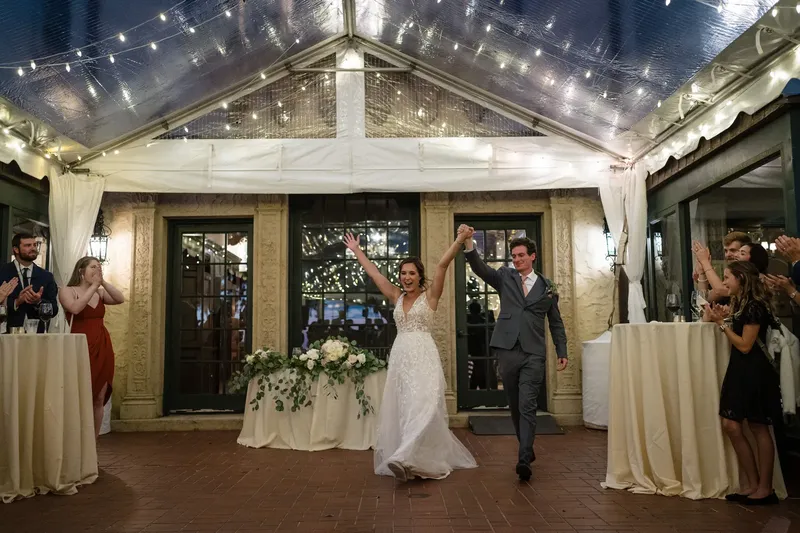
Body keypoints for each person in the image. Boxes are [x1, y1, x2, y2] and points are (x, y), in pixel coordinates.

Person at [343, 230, 477, 482]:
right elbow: (374, 274)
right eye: (403, 273)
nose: (407, 277)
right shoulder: (396, 296)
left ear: (419, 276)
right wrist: (357, 250)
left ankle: (403, 456)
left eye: (412, 273)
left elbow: (442, 265)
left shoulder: (431, 296)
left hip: (424, 357)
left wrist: (459, 241)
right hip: (401, 358)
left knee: (423, 406)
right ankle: (408, 459)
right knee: (405, 408)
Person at [461, 225, 568, 481]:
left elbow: (555, 322)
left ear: (532, 256)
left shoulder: (547, 287)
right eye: (514, 256)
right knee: (515, 405)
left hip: (534, 353)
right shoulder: (505, 277)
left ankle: (523, 458)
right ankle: (527, 447)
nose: (517, 259)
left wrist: (561, 350)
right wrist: (468, 243)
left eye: (521, 255)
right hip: (507, 349)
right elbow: (480, 269)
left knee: (528, 404)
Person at [704, 261, 781, 505]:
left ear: (741, 279)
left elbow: (746, 345)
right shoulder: (742, 304)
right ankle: (752, 482)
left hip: (755, 371)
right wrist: (724, 319)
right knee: (731, 424)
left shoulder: (755, 306)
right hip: (740, 369)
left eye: (728, 277)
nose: (724, 282)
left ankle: (765, 488)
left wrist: (722, 325)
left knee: (758, 426)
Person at [58, 257, 125, 438]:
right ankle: (76, 440)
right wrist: (93, 287)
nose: (97, 270)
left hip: (102, 345)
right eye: (93, 267)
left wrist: (102, 283)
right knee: (79, 396)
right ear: (81, 271)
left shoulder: (100, 293)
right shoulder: (67, 290)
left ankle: (92, 444)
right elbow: (75, 308)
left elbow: (120, 299)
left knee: (99, 398)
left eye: (99, 267)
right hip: (80, 346)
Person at [0, 233, 59, 332]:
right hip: (7, 333)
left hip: (37, 334)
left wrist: (38, 302)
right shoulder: (2, 272)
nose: (33, 248)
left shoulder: (46, 276)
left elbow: (54, 310)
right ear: (16, 249)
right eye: (28, 245)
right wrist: (16, 302)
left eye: (35, 245)